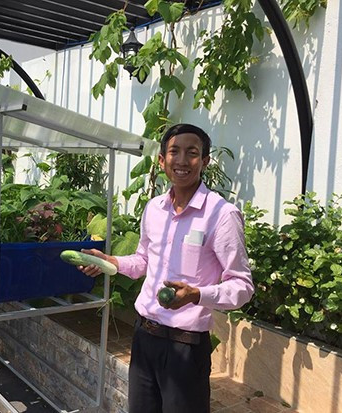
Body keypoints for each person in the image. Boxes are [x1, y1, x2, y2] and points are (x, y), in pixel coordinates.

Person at [78, 123, 254, 413]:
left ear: (205, 161)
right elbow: (144, 261)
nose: (182, 160)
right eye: (174, 152)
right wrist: (111, 262)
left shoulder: (222, 215)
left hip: (186, 348)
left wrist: (197, 294)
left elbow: (242, 287)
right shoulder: (154, 208)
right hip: (145, 338)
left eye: (192, 153)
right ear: (162, 160)